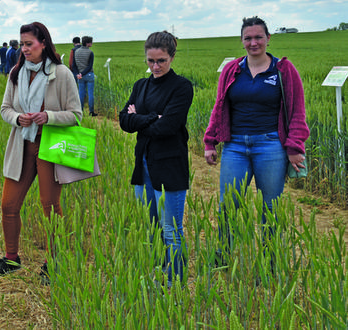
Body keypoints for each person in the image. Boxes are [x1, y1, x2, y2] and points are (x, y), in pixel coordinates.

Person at [204, 16, 308, 263]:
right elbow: (219, 107)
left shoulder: (283, 69)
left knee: (270, 207)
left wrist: (295, 147)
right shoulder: (232, 70)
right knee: (228, 205)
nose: (253, 42)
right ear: (241, 41)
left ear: (268, 39)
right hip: (235, 147)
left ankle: (271, 261)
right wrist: (210, 141)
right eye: (248, 38)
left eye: (258, 37)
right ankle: (223, 257)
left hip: (270, 145)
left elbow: (297, 111)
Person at [0, 22, 81, 282]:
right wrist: (18, 119)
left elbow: (76, 115)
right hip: (22, 144)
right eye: (23, 44)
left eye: (30, 44)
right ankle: (11, 258)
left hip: (51, 146)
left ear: (43, 43)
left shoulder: (61, 74)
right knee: (8, 204)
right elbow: (5, 108)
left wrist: (47, 116)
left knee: (49, 206)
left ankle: (54, 263)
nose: (25, 49)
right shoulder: (16, 73)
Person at [119, 31, 193, 287]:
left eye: (161, 60)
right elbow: (124, 121)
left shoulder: (181, 87)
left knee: (171, 230)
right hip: (144, 165)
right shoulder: (141, 85)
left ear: (171, 57)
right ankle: (160, 273)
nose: (155, 66)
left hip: (170, 165)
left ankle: (175, 283)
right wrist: (153, 118)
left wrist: (139, 117)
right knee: (151, 226)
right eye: (150, 61)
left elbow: (169, 127)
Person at [73, 36, 97, 116]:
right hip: (89, 74)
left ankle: (81, 111)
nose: (92, 43)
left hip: (80, 76)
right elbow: (90, 66)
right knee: (90, 94)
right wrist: (82, 74)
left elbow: (74, 65)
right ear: (87, 43)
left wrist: (78, 74)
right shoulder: (90, 52)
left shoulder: (76, 51)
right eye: (91, 42)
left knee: (81, 94)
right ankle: (91, 111)